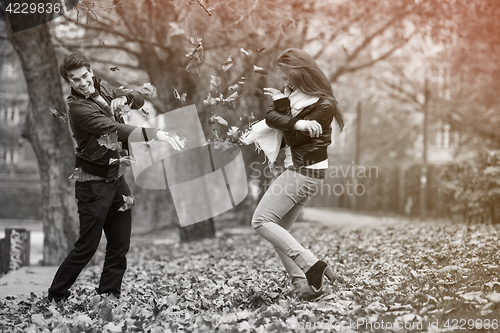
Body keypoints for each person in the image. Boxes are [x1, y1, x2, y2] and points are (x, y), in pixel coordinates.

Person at [47, 52, 185, 302]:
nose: (83, 82)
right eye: (75, 79)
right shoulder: (78, 109)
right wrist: (157, 134)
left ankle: (109, 294)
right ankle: (56, 295)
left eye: (85, 75)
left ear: (90, 71)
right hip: (93, 185)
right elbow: (114, 129)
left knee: (120, 244)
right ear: (69, 82)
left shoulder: (102, 85)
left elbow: (139, 99)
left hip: (116, 179)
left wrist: (125, 98)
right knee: (87, 247)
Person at [251, 48, 345, 300]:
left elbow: (291, 137)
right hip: (303, 172)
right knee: (280, 232)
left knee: (260, 221)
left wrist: (288, 113)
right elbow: (272, 118)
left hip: (303, 172)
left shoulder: (323, 105)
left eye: (286, 76)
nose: (284, 82)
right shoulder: (297, 98)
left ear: (299, 72)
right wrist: (284, 104)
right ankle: (304, 287)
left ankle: (312, 265)